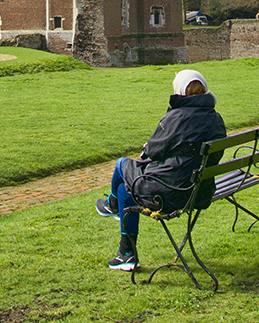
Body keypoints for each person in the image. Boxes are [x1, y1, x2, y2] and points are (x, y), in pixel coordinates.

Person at [95, 68, 226, 270]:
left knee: (122, 164)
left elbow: (154, 150)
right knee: (125, 191)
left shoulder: (176, 117)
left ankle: (112, 207)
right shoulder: (216, 119)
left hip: (170, 194)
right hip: (199, 191)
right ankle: (125, 253)